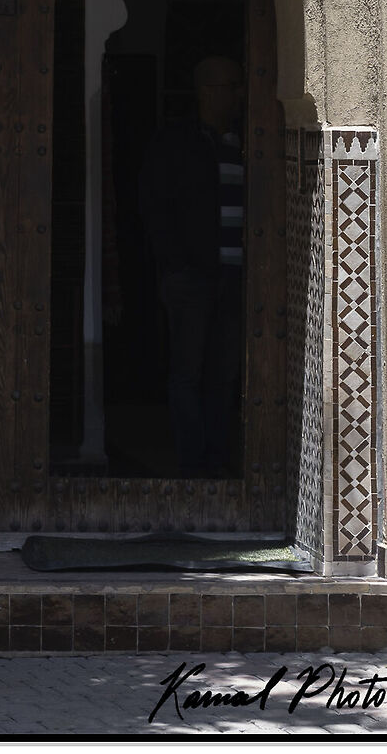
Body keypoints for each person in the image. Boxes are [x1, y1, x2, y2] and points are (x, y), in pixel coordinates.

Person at [136, 55, 246, 476]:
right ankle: (192, 469)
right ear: (206, 91)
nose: (238, 94)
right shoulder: (176, 143)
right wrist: (177, 265)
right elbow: (154, 206)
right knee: (187, 374)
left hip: (234, 280)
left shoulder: (245, 139)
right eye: (230, 85)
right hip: (191, 280)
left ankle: (217, 467)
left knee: (222, 375)